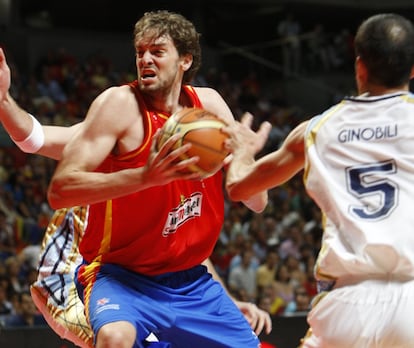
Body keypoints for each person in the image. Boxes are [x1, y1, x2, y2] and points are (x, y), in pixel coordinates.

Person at [0, 10, 272, 348]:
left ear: (185, 60)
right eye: (140, 52)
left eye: (157, 52)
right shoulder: (119, 107)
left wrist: (245, 158)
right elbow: (53, 176)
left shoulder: (209, 107)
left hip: (190, 282)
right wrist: (145, 176)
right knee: (116, 337)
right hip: (120, 276)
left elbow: (255, 202)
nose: (145, 59)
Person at [225, 13, 414, 348]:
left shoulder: (317, 129)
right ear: (412, 69)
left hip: (347, 301)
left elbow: (240, 188)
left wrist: (243, 150)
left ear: (359, 67)